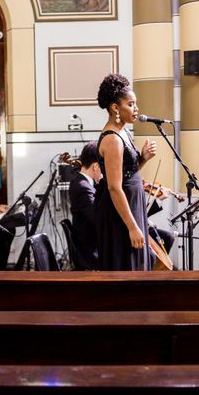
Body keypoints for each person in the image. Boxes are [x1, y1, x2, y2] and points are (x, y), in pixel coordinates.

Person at [94, 74, 157, 270]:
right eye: (131, 104)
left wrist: (143, 159)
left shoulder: (124, 132)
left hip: (131, 204)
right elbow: (114, 187)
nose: (136, 109)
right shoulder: (112, 138)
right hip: (119, 212)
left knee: (137, 261)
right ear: (115, 108)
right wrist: (132, 227)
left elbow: (127, 173)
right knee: (125, 263)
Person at [68, 141, 102, 270]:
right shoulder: (83, 187)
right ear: (95, 166)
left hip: (91, 244)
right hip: (91, 251)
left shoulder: (82, 183)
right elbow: (98, 219)